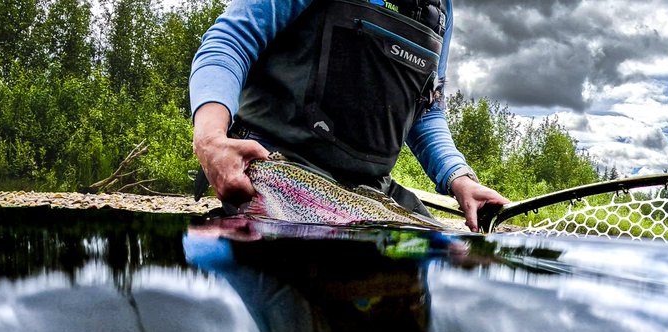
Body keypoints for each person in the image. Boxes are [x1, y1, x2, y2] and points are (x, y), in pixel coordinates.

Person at [189, 0, 509, 231]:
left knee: (433, 249)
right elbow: (230, 43)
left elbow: (426, 109)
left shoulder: (441, 10)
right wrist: (211, 139)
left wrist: (459, 179)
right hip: (277, 175)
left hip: (371, 191)